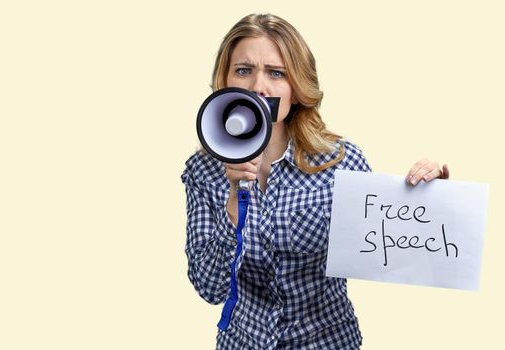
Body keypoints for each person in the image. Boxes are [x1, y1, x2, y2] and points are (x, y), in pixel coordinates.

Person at [181, 13, 449, 350]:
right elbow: (209, 288)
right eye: (244, 70)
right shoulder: (202, 171)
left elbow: (391, 248)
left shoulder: (340, 162)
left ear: (296, 87)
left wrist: (433, 199)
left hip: (327, 342)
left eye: (276, 73)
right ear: (225, 79)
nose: (258, 87)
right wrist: (234, 199)